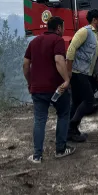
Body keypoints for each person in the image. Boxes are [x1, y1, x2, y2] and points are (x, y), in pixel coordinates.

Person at [23, 16, 75, 163]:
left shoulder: (34, 42)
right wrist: (66, 80)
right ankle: (60, 149)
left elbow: (26, 65)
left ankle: (37, 156)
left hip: (38, 89)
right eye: (63, 27)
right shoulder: (57, 40)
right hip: (56, 88)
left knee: (39, 120)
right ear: (59, 28)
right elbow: (59, 60)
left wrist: (30, 83)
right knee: (63, 114)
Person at [65, 9, 98, 143]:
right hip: (78, 73)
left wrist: (97, 73)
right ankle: (72, 126)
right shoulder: (84, 31)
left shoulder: (95, 34)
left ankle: (69, 132)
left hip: (86, 73)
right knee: (89, 101)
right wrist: (69, 71)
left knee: (77, 102)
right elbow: (71, 49)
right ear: (94, 20)